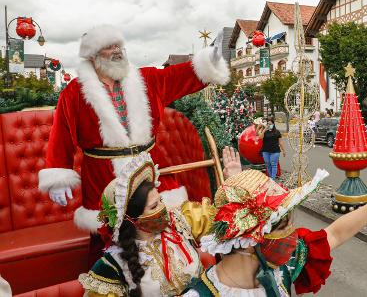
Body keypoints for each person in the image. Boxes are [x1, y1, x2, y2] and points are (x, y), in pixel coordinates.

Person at [37, 25, 229, 264]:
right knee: (109, 238)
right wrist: (57, 175)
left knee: (165, 224)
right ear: (93, 56)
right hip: (102, 175)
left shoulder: (147, 79)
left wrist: (210, 58)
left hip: (148, 168)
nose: (117, 51)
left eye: (118, 45)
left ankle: (174, 273)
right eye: (109, 47)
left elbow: (180, 76)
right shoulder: (75, 92)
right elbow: (61, 136)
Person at [187, 145, 367, 296]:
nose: (294, 236)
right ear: (252, 238)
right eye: (285, 225)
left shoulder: (280, 268)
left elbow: (334, 233)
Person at [78, 151, 223, 297]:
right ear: (132, 219)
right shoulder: (111, 267)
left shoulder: (180, 221)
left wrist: (230, 178)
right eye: (154, 207)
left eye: (161, 200)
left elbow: (224, 221)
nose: (163, 208)